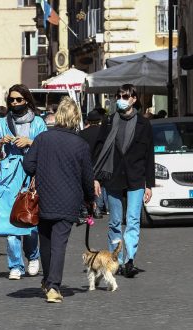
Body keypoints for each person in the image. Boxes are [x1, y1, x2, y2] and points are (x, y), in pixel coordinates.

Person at [23, 96, 96, 303]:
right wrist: (90, 199)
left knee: (45, 241)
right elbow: (87, 177)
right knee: (59, 243)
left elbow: (28, 166)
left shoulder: (43, 138)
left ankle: (47, 281)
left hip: (43, 198)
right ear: (76, 118)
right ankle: (53, 286)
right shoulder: (80, 144)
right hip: (68, 200)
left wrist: (42, 168)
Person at [93, 84, 155, 278]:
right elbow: (98, 150)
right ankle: (116, 260)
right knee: (115, 222)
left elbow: (149, 155)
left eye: (125, 96)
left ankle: (129, 260)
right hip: (113, 176)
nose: (121, 99)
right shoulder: (110, 121)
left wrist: (150, 185)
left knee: (133, 220)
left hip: (136, 177)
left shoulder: (144, 124)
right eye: (119, 96)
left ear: (134, 99)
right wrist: (95, 178)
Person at [0, 84, 47, 280]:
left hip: (29, 175)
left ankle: (33, 256)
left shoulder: (38, 122)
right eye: (11, 100)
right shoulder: (2, 123)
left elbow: (47, 146)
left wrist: (30, 142)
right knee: (10, 223)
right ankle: (15, 264)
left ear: (26, 101)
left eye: (18, 100)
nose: (14, 103)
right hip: (7, 177)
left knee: (28, 218)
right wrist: (0, 143)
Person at [79, 110, 104, 219]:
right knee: (99, 185)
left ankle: (84, 208)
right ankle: (97, 208)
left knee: (84, 184)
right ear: (99, 120)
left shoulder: (82, 133)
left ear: (88, 120)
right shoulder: (103, 133)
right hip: (99, 162)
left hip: (85, 162)